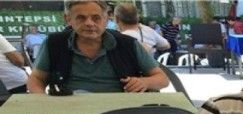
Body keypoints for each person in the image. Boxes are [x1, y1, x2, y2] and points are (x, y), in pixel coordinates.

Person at [26, 0, 168, 94]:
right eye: (81, 18)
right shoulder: (54, 43)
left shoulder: (128, 44)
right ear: (68, 19)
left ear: (106, 19)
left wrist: (144, 82)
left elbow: (162, 79)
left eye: (96, 18)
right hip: (68, 108)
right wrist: (43, 101)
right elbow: (36, 78)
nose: (89, 23)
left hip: (121, 112)